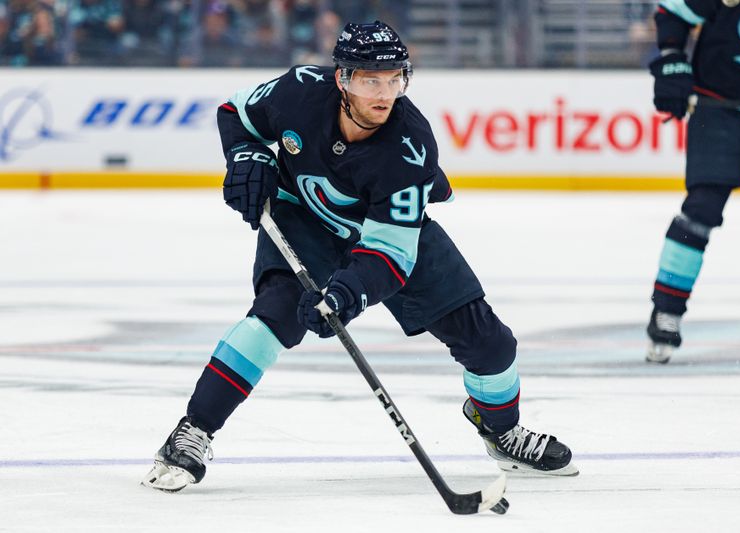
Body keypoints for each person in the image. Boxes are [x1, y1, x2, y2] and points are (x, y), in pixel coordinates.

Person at [142, 21, 578, 492]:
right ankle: (194, 431)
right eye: (371, 79)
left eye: (395, 79)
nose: (385, 93)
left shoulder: (409, 148)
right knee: (271, 320)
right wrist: (248, 157)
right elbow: (236, 114)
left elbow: (390, 254)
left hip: (386, 233)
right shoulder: (298, 91)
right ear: (342, 79)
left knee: (491, 345)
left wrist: (348, 294)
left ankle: (501, 430)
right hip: (301, 220)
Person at [645, 0, 740, 363]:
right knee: (702, 206)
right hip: (720, 101)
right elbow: (673, 14)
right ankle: (666, 310)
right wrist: (672, 59)